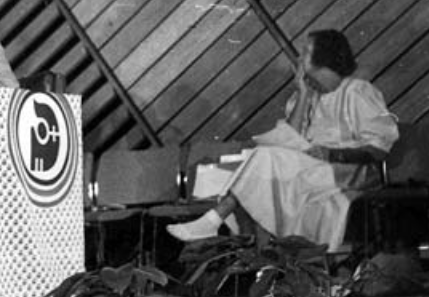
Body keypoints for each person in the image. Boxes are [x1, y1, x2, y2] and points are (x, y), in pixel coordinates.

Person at [167, 29, 398, 251]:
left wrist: (332, 154)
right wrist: (304, 95)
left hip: (346, 172)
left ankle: (214, 221)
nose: (299, 58)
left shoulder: (357, 91)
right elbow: (290, 139)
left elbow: (380, 148)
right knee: (224, 172)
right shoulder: (306, 96)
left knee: (263, 161)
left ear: (323, 57)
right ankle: (251, 249)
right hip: (306, 170)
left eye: (305, 51)